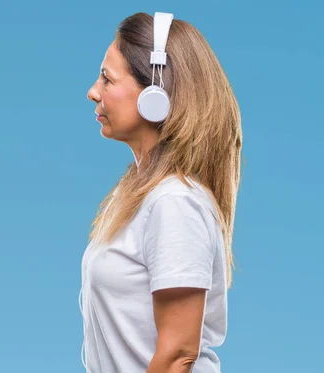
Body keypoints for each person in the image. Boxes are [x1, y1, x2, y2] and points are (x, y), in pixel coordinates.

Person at [79, 11, 242, 373]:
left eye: (107, 79)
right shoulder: (137, 195)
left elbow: (176, 356)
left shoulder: (174, 203)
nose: (93, 91)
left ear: (155, 93)